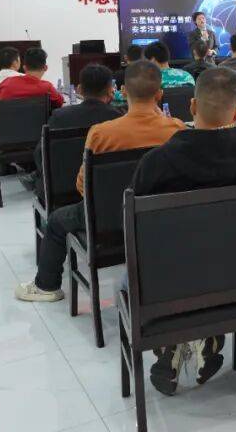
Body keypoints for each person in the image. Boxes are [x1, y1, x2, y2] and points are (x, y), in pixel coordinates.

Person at [130, 66, 236, 396]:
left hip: (165, 286)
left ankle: (172, 342)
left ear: (192, 106)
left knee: (127, 279)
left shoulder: (156, 162)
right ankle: (209, 337)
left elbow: (135, 230)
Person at [14, 60, 184, 304]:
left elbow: (83, 187)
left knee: (57, 220)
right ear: (159, 94)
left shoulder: (102, 132)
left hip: (107, 222)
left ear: (123, 90)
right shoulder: (177, 129)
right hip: (159, 219)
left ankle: (46, 287)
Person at [27, 63, 124, 196]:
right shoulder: (117, 118)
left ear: (79, 89)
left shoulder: (59, 116)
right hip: (102, 192)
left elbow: (40, 155)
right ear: (110, 90)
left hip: (59, 192)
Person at [0, 47, 64, 109]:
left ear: (24, 68)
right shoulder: (47, 87)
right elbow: (59, 103)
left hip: (7, 120)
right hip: (37, 120)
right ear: (45, 68)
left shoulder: (5, 83)